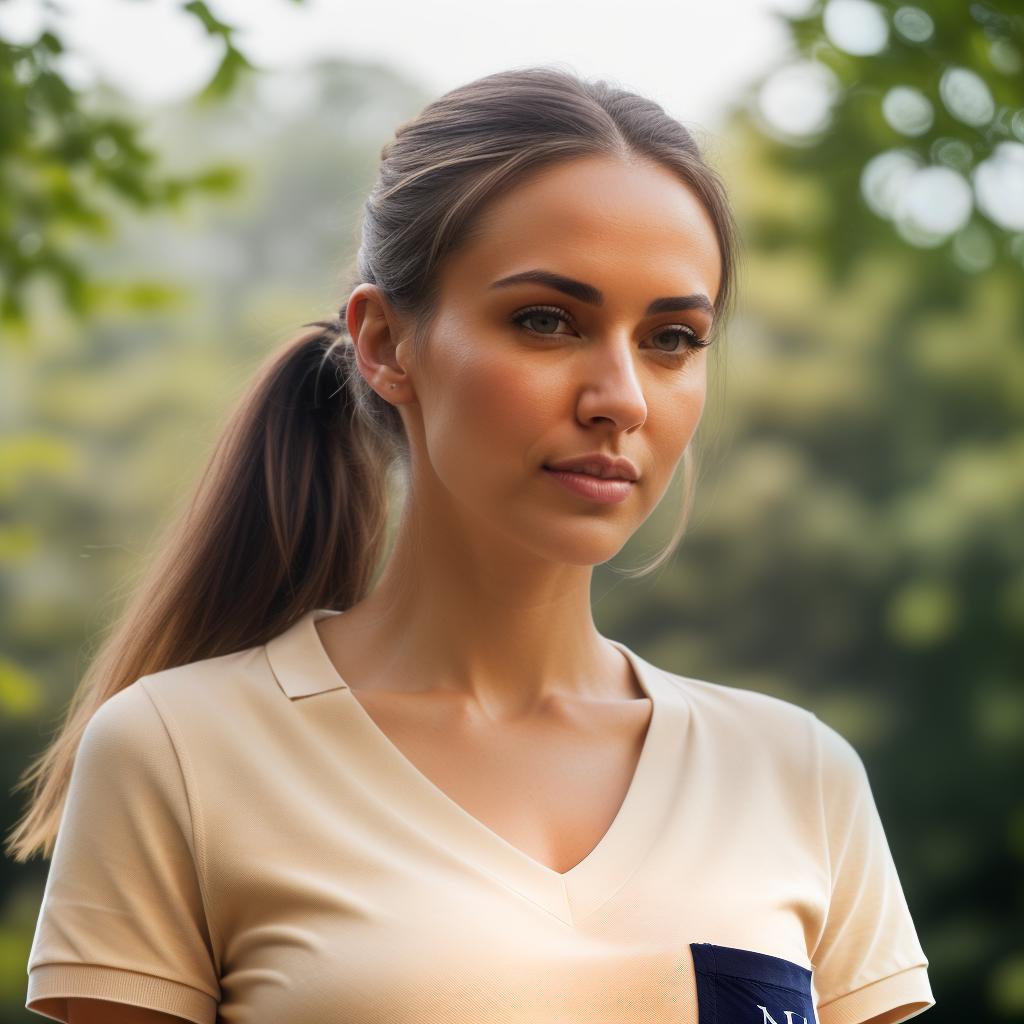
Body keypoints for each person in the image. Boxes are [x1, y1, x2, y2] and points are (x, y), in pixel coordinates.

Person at [8, 66, 935, 1024]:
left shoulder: (795, 775)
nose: (620, 397)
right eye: (546, 321)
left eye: (672, 338)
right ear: (385, 344)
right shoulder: (178, 752)